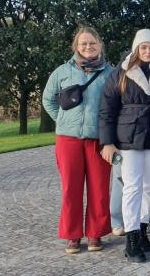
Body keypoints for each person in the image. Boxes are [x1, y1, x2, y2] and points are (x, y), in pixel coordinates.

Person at [99, 29, 150, 263]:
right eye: (144, 47)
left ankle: (142, 228)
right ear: (136, 48)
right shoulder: (119, 74)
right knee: (132, 187)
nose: (148, 51)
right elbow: (107, 110)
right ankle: (131, 237)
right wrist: (107, 142)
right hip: (128, 137)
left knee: (149, 186)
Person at [42, 27, 113, 254]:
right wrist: (63, 120)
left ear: (100, 45)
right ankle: (73, 235)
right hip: (68, 139)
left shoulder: (110, 73)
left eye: (92, 43)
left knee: (99, 189)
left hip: (97, 140)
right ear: (76, 47)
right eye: (83, 44)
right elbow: (48, 100)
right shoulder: (62, 71)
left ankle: (95, 233)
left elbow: (115, 104)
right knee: (70, 189)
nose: (88, 47)